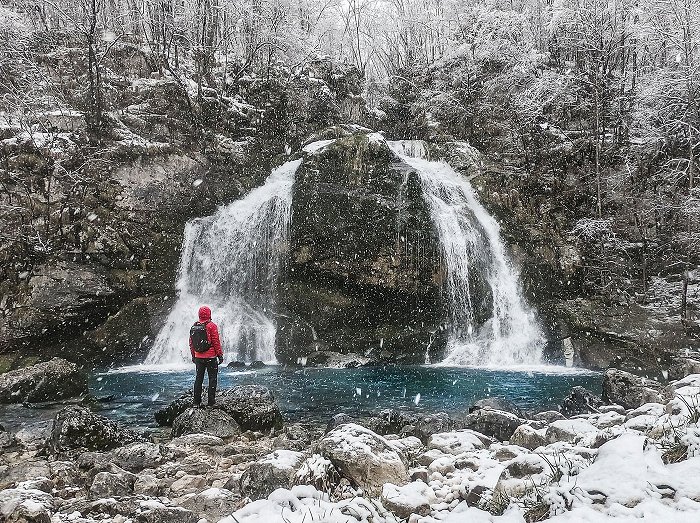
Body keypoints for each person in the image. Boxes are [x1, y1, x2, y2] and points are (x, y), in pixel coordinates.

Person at [189, 305, 223, 407]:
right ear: (209, 314)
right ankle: (211, 402)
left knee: (198, 379)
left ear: (199, 314)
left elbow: (191, 343)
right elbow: (216, 342)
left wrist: (193, 356)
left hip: (199, 357)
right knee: (212, 379)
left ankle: (196, 402)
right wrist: (219, 355)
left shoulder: (194, 326)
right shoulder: (212, 326)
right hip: (211, 357)